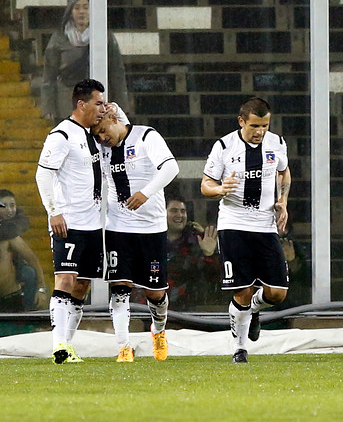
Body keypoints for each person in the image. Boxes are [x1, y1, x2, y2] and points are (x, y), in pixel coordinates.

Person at [201, 97, 291, 363]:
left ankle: (253, 310)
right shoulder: (224, 146)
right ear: (242, 121)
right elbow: (206, 184)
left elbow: (284, 172)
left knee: (276, 293)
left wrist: (283, 201)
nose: (260, 132)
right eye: (255, 126)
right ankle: (239, 349)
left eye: (265, 126)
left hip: (265, 226)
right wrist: (219, 189)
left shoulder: (277, 143)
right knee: (242, 290)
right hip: (234, 225)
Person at [91, 103, 179, 362]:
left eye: (104, 131)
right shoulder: (103, 148)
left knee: (156, 293)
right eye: (97, 136)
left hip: (151, 229)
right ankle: (123, 347)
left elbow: (171, 168)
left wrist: (145, 193)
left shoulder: (146, 136)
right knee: (120, 287)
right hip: (118, 227)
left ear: (115, 118)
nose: (102, 138)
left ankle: (159, 331)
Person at [35, 78, 107, 364]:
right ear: (82, 104)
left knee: (82, 285)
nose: (104, 108)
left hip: (94, 223)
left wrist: (114, 113)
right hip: (69, 222)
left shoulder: (92, 135)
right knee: (65, 279)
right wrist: (54, 211)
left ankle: (68, 346)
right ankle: (59, 345)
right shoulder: (61, 135)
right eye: (99, 103)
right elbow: (44, 174)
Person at [40, 0, 130, 124]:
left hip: (96, 105)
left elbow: (116, 71)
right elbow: (49, 76)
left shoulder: (104, 37)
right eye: (77, 8)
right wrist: (48, 107)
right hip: (66, 104)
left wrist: (121, 105)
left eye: (86, 7)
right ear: (70, 12)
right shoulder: (59, 39)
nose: (81, 12)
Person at [165, 194, 222, 310]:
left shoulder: (196, 241)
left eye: (183, 211)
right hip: (150, 310)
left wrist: (209, 254)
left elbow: (214, 278)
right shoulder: (151, 241)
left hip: (187, 312)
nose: (179, 215)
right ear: (161, 213)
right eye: (174, 211)